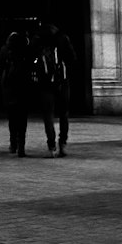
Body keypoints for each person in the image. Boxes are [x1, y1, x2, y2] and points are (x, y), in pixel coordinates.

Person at [32, 21, 75, 157]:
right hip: (62, 80)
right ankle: (62, 144)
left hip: (45, 83)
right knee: (64, 114)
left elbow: (30, 59)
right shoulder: (63, 38)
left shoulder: (38, 39)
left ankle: (51, 146)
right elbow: (73, 58)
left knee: (48, 115)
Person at [0, 29, 33, 156]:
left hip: (10, 88)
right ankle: (21, 146)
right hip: (23, 87)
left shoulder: (5, 51)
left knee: (12, 118)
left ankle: (13, 143)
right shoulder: (25, 51)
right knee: (23, 119)